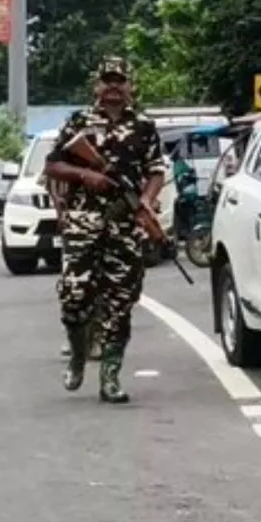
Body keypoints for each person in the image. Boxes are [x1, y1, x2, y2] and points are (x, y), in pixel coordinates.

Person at [44, 56, 166, 403]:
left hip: (125, 225)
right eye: (108, 81)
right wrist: (86, 176)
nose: (114, 87)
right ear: (97, 85)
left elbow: (156, 169)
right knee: (73, 297)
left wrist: (145, 200)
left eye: (120, 81)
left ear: (130, 86)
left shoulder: (144, 126)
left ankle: (110, 376)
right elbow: (53, 165)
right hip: (83, 223)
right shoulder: (78, 122)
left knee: (120, 302)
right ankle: (78, 353)